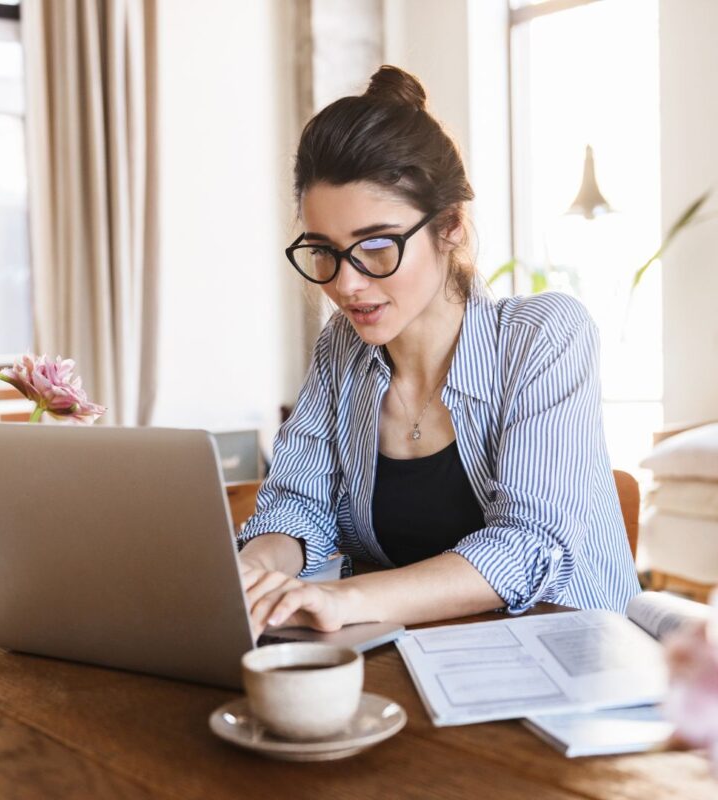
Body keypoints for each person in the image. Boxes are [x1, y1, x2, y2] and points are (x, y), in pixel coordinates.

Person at [238, 64, 640, 638]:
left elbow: (527, 547)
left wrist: (342, 598)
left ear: (449, 226)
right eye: (323, 250)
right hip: (422, 666)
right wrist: (254, 570)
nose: (345, 285)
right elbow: (296, 507)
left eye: (375, 246)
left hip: (570, 663)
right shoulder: (341, 351)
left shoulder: (544, 337)